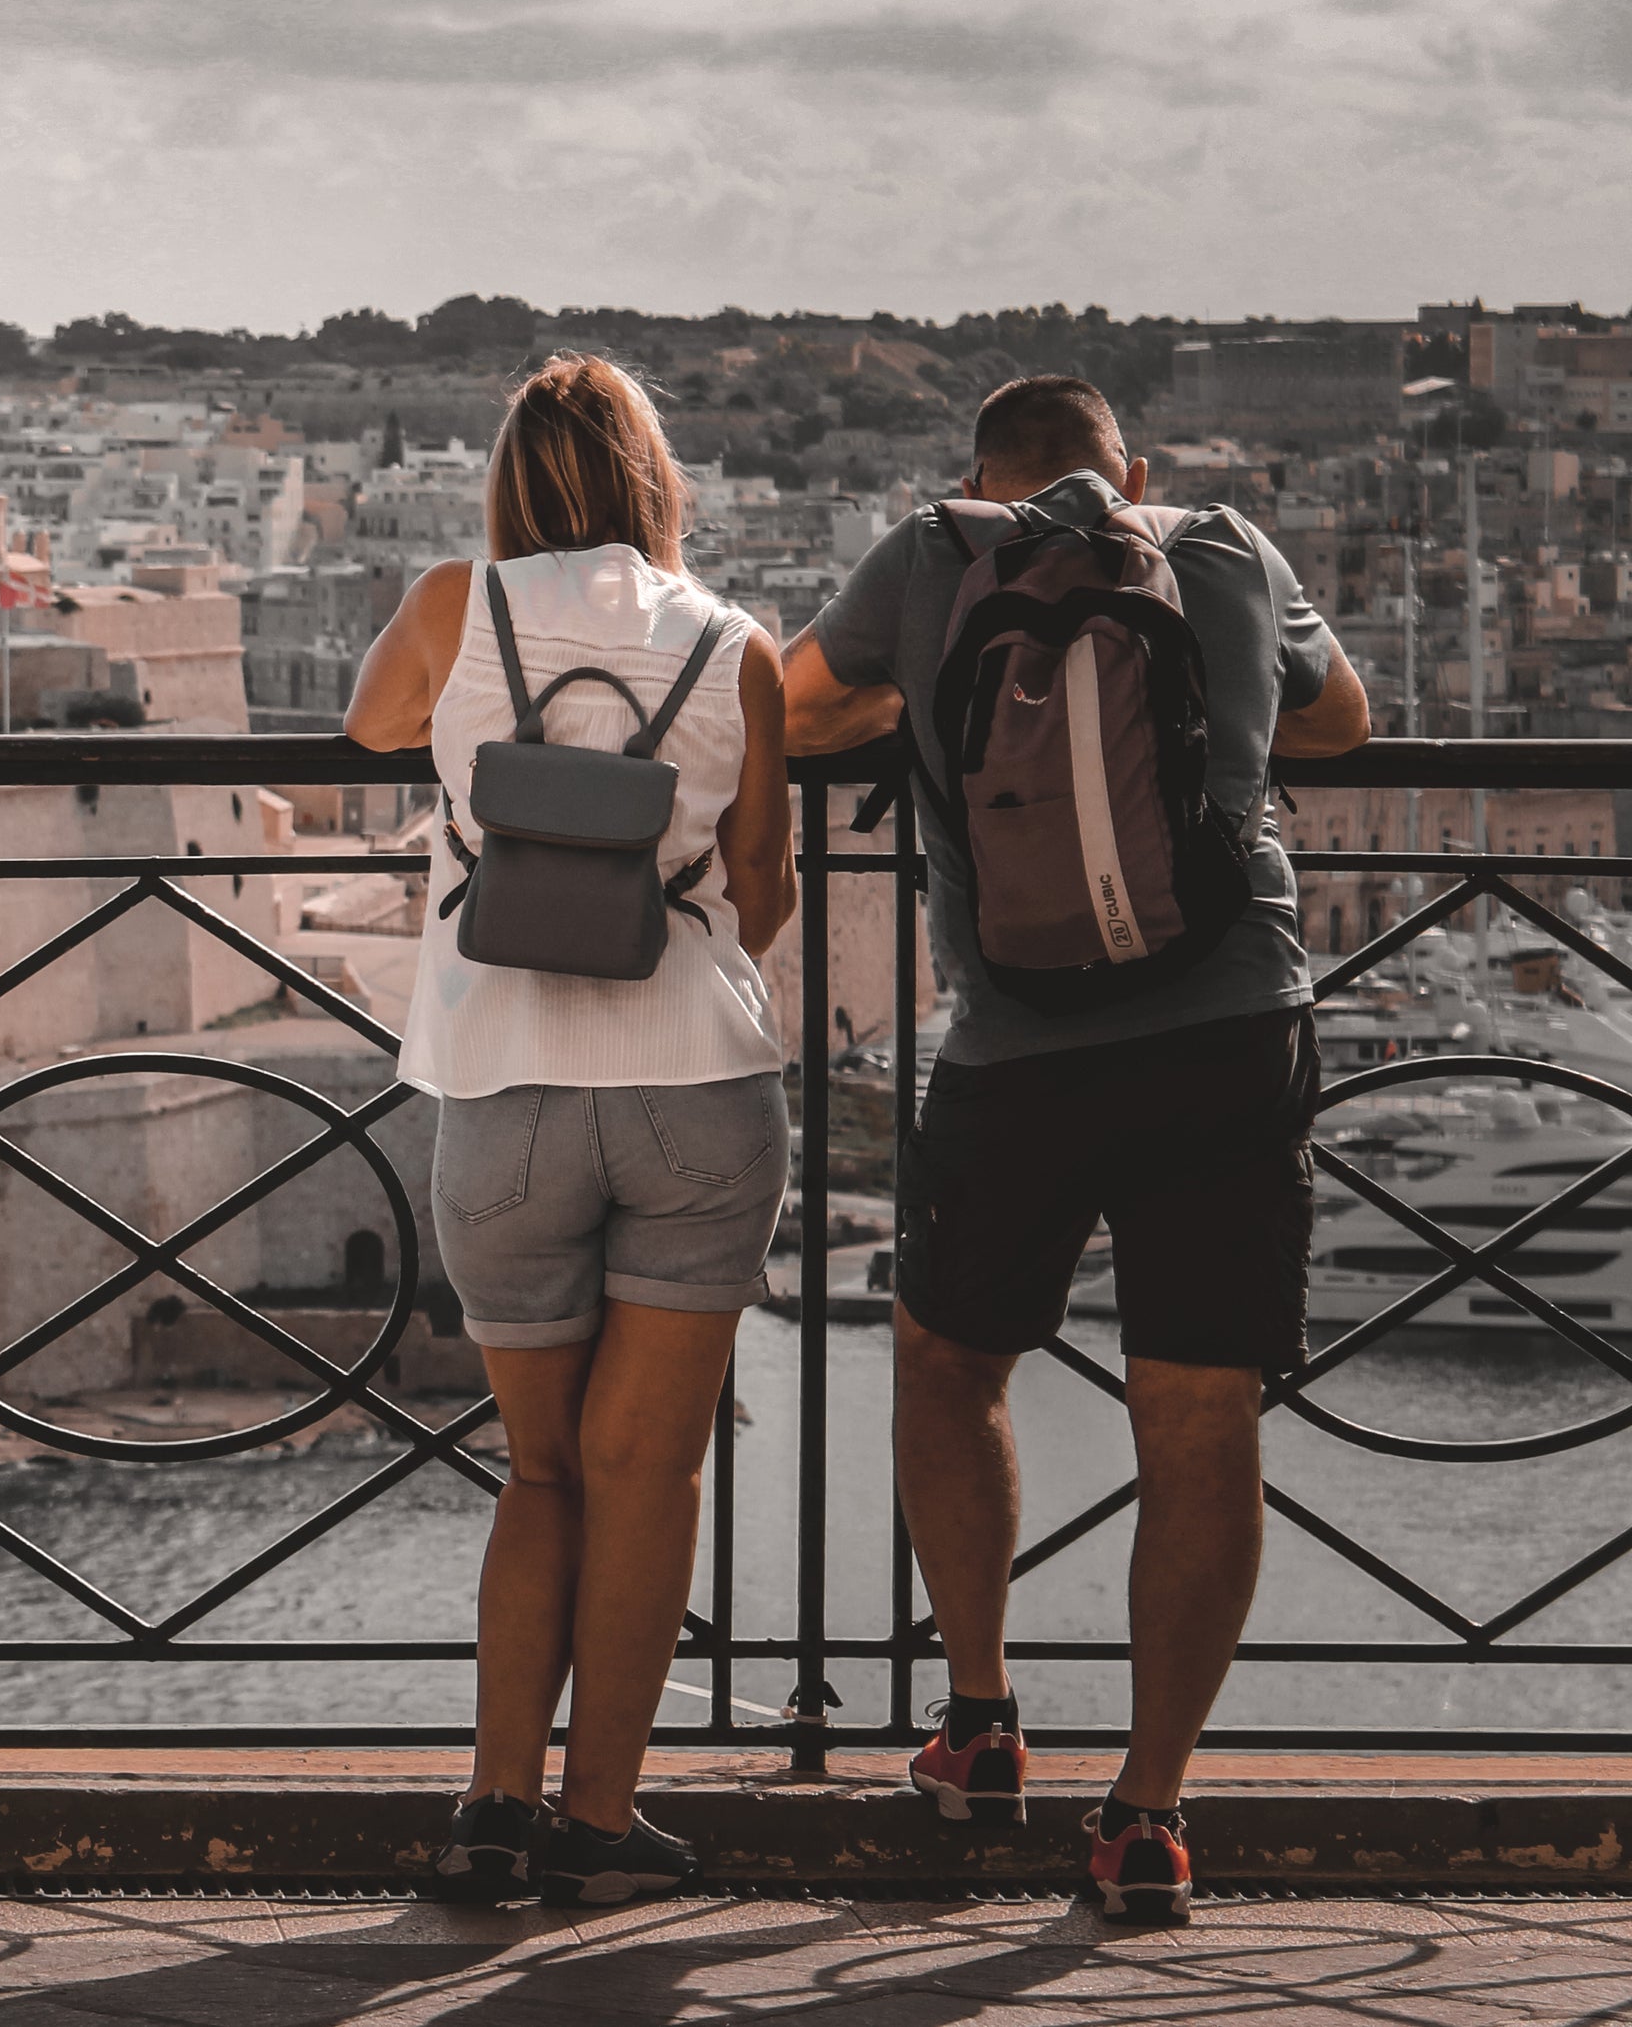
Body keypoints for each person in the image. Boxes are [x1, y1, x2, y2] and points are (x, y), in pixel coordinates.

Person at [785, 374, 1371, 1925]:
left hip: (1013, 1046)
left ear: (978, 474)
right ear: (1135, 471)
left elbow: (786, 709)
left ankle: (978, 1721)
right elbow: (1344, 718)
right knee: (1198, 1410)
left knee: (945, 1360)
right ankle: (1149, 1813)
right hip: (1230, 1029)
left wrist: (916, 694)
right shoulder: (1226, 544)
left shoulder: (927, 557)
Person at [346, 355, 794, 1908]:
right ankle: (603, 1819)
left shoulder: (449, 602)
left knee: (538, 1473)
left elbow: (365, 725)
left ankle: (490, 1808)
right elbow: (768, 891)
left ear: (512, 480)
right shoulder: (739, 647)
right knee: (646, 1475)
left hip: (506, 1084)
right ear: (653, 476)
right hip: (695, 1086)